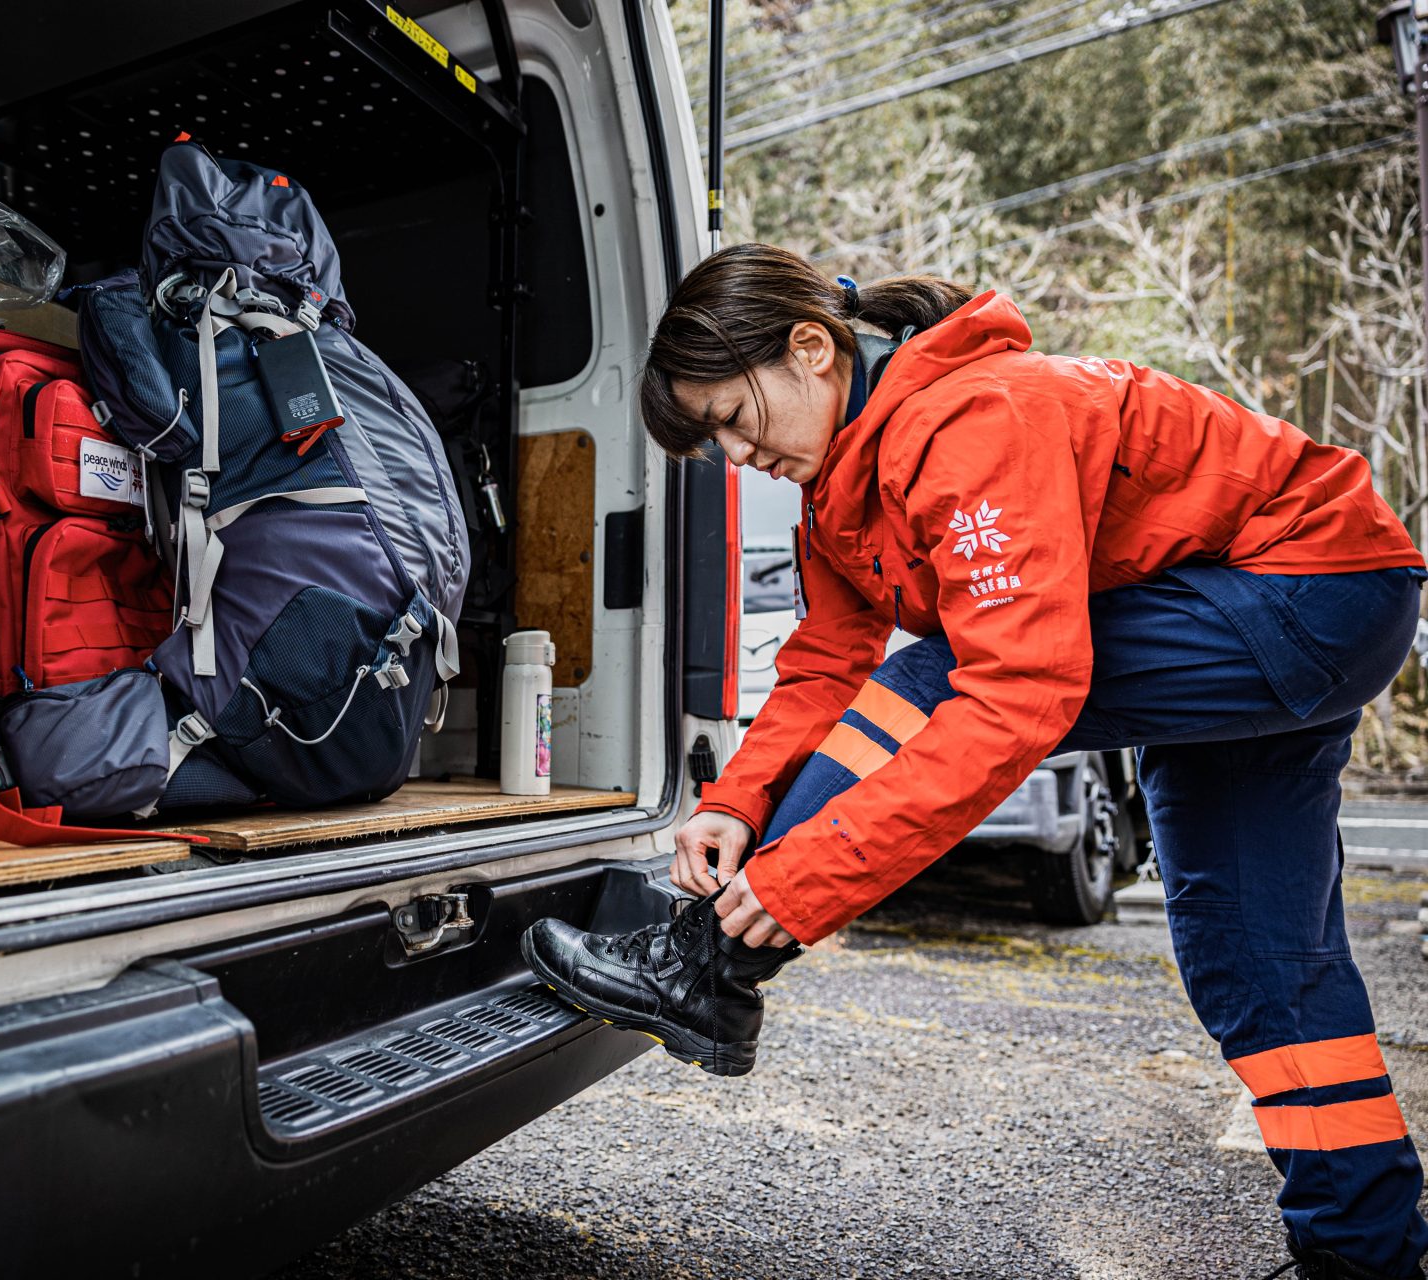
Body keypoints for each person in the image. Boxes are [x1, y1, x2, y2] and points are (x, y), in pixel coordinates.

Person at [521, 243, 1428, 1280]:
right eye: (710, 439)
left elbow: (1015, 690)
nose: (733, 455)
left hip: (1312, 586)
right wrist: (736, 802)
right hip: (1260, 608)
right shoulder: (842, 485)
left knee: (931, 685)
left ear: (811, 350)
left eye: (732, 416)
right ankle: (1367, 1255)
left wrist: (802, 882)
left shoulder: (972, 418)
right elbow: (825, 661)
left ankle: (709, 967)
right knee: (1260, 965)